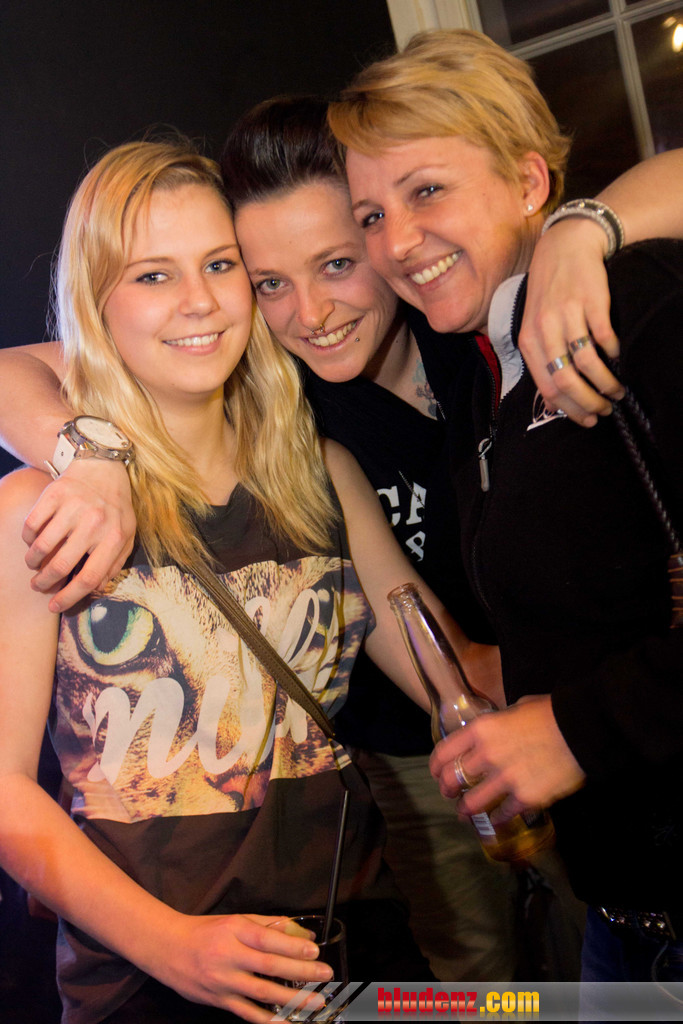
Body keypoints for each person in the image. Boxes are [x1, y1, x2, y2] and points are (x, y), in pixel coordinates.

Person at [0, 137, 503, 1024]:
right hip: (151, 981)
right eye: (152, 275)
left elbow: (449, 673)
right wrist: (171, 946)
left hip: (353, 948)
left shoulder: (321, 476)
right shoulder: (39, 508)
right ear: (96, 301)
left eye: (219, 264)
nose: (198, 301)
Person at [327, 27, 683, 992]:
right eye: (370, 215)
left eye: (426, 191)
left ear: (529, 182)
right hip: (627, 921)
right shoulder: (490, 377)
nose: (395, 244)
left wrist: (571, 729)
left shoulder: (635, 304)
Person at [220, 94, 517, 983]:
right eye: (270, 283)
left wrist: (586, 232)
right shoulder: (277, 406)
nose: (310, 313)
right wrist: (81, 455)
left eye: (337, 264)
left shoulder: (473, 321)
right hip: (412, 752)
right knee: (483, 985)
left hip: (562, 701)